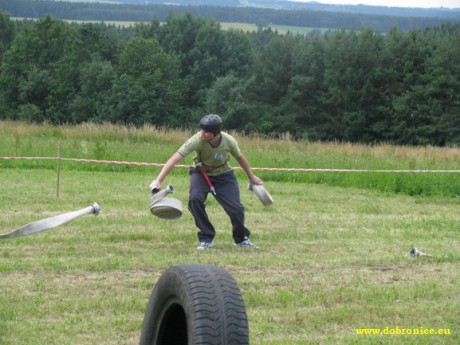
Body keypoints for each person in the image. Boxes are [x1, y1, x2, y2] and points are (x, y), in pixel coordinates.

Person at [150, 114, 263, 250]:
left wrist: (251, 177)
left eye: (206, 131)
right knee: (195, 200)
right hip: (200, 174)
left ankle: (241, 239)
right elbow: (174, 159)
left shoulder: (229, 141)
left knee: (236, 209)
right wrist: (159, 180)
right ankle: (206, 238)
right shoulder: (196, 140)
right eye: (202, 129)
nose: (202, 133)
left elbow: (240, 158)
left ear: (215, 133)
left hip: (224, 175)